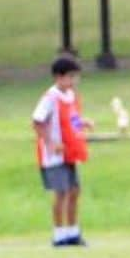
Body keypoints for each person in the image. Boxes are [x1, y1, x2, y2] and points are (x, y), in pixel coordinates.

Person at [31, 52, 93, 248]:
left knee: (75, 190)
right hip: (54, 156)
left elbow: (71, 118)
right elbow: (37, 121)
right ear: (59, 77)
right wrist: (50, 143)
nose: (74, 81)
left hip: (70, 151)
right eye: (71, 77)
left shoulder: (71, 96)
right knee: (61, 192)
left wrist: (82, 123)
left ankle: (73, 232)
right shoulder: (50, 98)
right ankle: (59, 235)